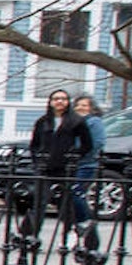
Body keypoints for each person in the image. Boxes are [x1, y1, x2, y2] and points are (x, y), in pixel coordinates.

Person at [27, 88, 92, 238]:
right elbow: (34, 145)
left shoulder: (76, 121)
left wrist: (73, 157)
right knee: (39, 203)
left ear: (68, 102)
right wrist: (37, 161)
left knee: (65, 205)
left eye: (63, 98)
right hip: (44, 169)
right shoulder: (43, 122)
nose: (59, 101)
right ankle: (32, 236)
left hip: (64, 169)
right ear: (50, 102)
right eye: (56, 99)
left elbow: (87, 145)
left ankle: (69, 236)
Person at [71, 94, 106, 248]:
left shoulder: (94, 122)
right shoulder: (73, 122)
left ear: (91, 108)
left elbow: (97, 142)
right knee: (69, 196)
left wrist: (80, 154)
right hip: (70, 164)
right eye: (78, 105)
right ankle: (74, 228)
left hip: (86, 164)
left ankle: (85, 221)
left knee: (76, 193)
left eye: (84, 105)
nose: (80, 108)